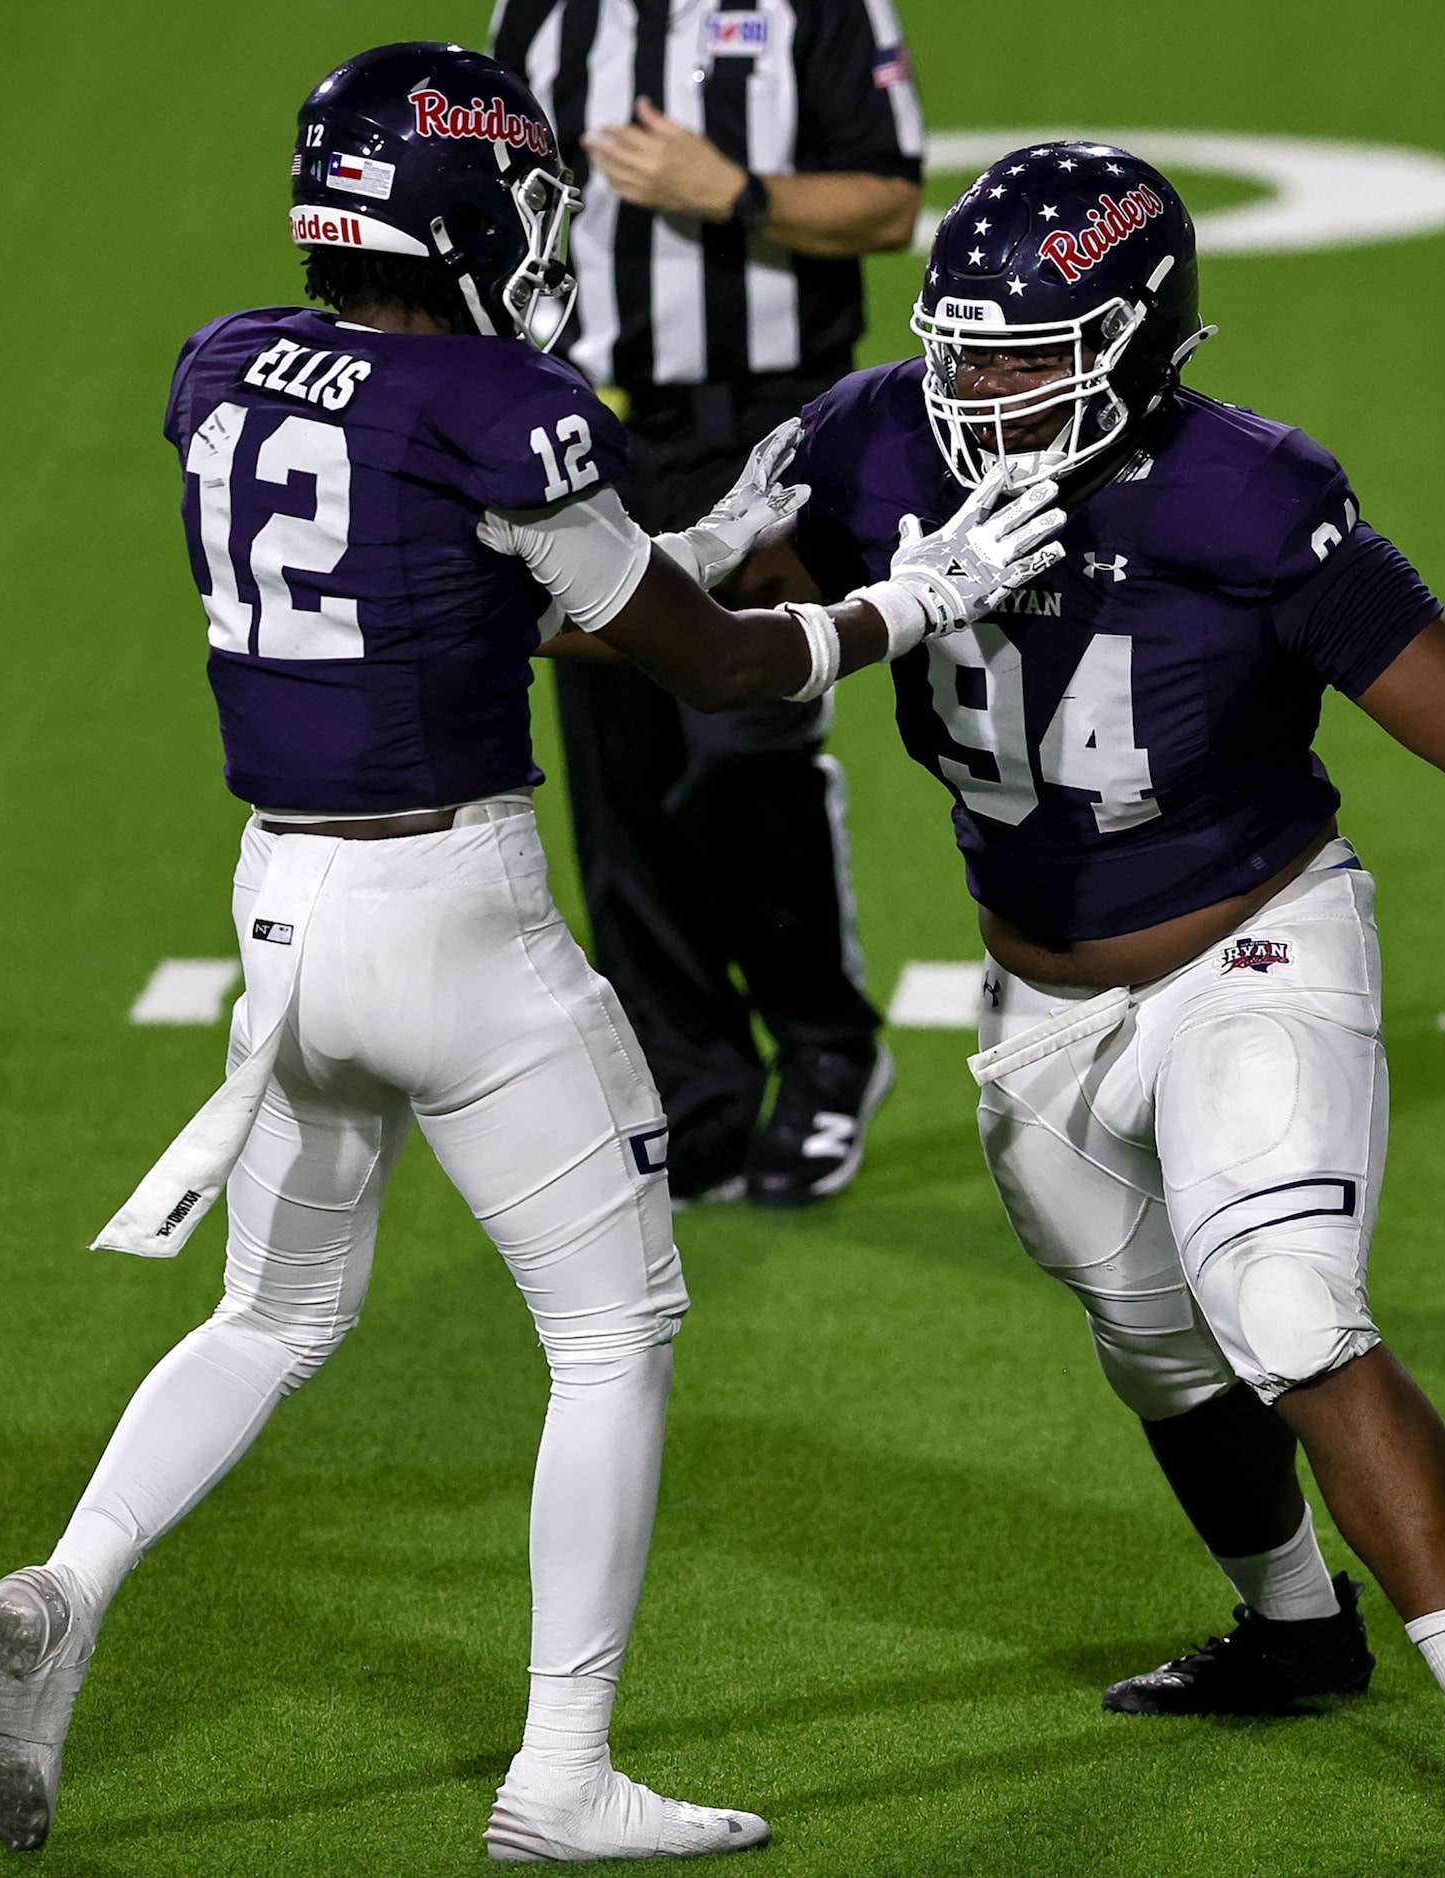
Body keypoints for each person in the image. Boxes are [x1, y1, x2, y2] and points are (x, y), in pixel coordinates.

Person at [0, 46, 1062, 1862]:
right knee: (612, 1330)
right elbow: (705, 670)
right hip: (454, 922)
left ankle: (72, 1575)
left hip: (280, 922)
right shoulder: (501, 401)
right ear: (461, 212)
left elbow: (462, 588)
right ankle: (559, 1773)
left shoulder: (225, 365)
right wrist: (904, 603)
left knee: (275, 1310)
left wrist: (684, 547)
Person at [729, 143, 1445, 1834]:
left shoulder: (1246, 494)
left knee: (1280, 1302)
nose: (972, 391)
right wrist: (688, 556)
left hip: (1248, 940)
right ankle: (1291, 1626)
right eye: (956, 347)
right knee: (1149, 1342)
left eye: (1020, 358)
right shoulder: (864, 438)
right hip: (1032, 1000)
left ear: (1134, 344)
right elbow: (726, 620)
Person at [488, 0, 926, 1206]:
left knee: (745, 751)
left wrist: (730, 189)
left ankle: (829, 1053)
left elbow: (888, 204)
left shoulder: (816, 11)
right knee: (619, 781)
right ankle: (697, 1094)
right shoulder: (541, 12)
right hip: (592, 425)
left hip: (764, 425)